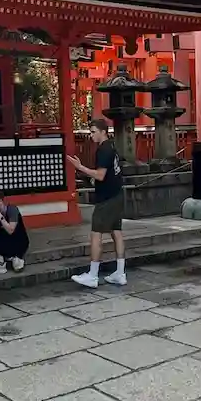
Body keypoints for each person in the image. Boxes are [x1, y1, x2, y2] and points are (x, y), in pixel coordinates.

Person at [68, 116, 126, 288]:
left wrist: (80, 168)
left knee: (96, 234)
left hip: (106, 198)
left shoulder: (103, 149)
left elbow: (100, 175)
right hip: (117, 194)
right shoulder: (112, 146)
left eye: (93, 132)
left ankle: (93, 275)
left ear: (103, 132)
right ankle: (120, 273)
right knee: (116, 232)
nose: (91, 135)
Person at [0, 190, 30, 272]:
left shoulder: (12, 210)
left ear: (1, 201)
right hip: (5, 241)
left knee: (5, 242)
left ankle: (7, 259)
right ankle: (10, 258)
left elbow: (11, 230)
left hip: (18, 240)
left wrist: (0, 216)